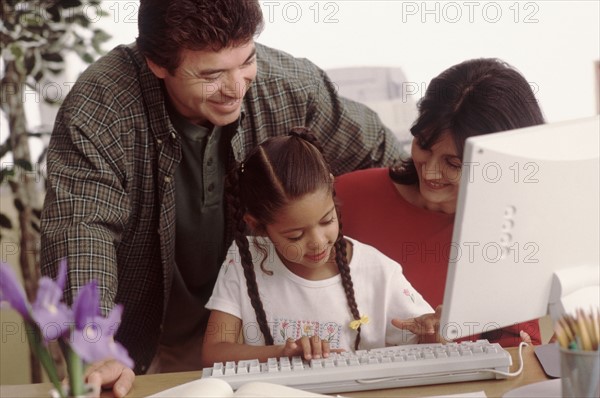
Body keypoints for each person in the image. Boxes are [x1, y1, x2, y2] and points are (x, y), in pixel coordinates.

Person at [39, 0, 402, 394]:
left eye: (246, 61)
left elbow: (387, 163)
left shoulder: (290, 86)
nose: (235, 88)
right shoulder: (101, 104)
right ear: (158, 64)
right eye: (212, 74)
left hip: (262, 342)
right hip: (142, 342)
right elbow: (80, 231)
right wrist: (95, 348)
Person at [335, 58, 546, 347]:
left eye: (453, 163)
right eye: (423, 144)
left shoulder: (511, 234)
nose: (431, 171)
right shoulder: (346, 199)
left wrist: (450, 345)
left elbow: (517, 357)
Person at [201, 129, 440, 366]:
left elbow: (429, 350)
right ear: (257, 226)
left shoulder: (378, 271)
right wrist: (283, 352)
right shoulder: (245, 260)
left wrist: (432, 333)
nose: (317, 242)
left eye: (327, 220)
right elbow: (214, 353)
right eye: (295, 235)